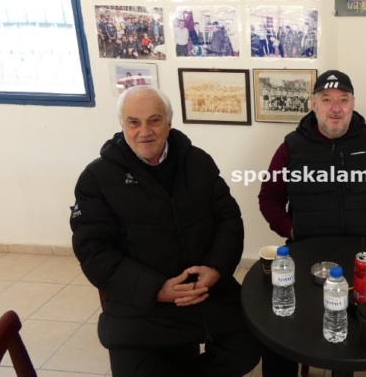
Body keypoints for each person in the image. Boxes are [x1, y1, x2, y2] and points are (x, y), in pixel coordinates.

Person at [70, 86, 260, 376]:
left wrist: (215, 268)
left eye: (154, 120)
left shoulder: (198, 162)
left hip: (204, 290)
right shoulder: (96, 178)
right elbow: (93, 251)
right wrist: (156, 289)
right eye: (134, 122)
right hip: (141, 302)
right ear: (122, 125)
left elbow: (229, 219)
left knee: (247, 349)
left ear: (169, 122)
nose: (144, 131)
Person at [258, 70, 366, 377]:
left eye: (343, 99)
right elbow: (269, 198)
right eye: (327, 100)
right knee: (276, 333)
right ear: (313, 104)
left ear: (353, 103)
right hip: (309, 254)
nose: (335, 108)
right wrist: (292, 230)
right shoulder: (291, 146)